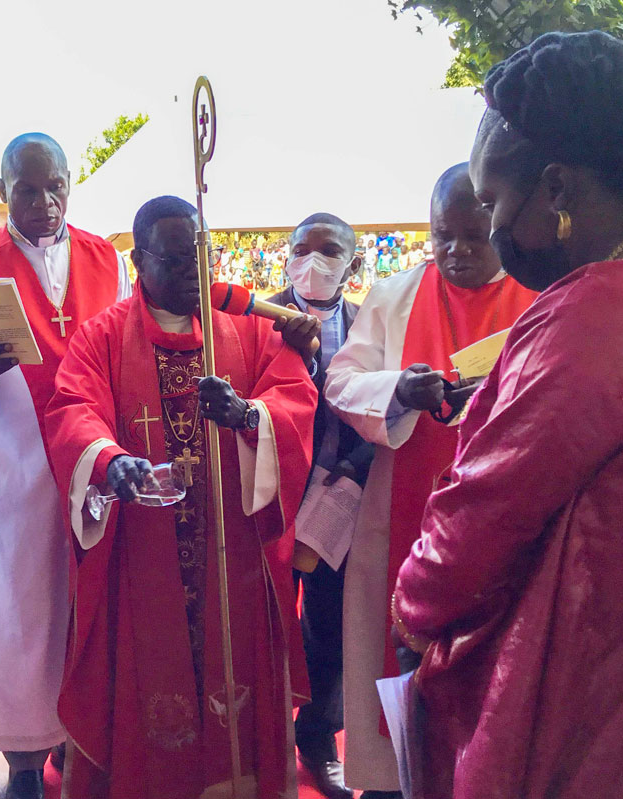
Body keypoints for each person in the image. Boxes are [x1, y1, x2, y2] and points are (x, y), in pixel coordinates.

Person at [393, 31, 623, 799]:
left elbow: (483, 513)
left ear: (557, 190)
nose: (490, 230)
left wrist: (413, 604)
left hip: (585, 680)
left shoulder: (593, 313)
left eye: (494, 203)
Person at [44, 196, 318, 799]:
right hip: (144, 557)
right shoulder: (103, 337)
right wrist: (112, 463)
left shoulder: (248, 328)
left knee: (236, 687)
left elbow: (293, 395)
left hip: (234, 556)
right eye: (174, 261)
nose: (194, 275)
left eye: (201, 257)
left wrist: (249, 416)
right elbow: (73, 410)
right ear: (139, 260)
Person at [323, 163, 537, 797]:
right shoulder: (395, 296)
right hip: (405, 509)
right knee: (396, 657)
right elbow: (341, 379)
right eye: (445, 235)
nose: (458, 251)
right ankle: (396, 781)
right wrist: (398, 389)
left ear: (501, 225)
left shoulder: (539, 292)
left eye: (475, 236)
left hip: (506, 512)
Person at [0, 132, 130, 799]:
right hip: (11, 466)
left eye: (56, 186)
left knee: (86, 611)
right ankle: (21, 766)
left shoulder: (107, 258)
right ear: (2, 189)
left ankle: (80, 754)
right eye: (28, 189)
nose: (45, 202)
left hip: (91, 464)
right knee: (19, 618)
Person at [269, 214, 372, 799]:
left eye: (328, 251)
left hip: (340, 496)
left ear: (351, 264)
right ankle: (259, 731)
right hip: (272, 490)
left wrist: (351, 473)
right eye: (301, 249)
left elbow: (378, 404)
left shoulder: (366, 326)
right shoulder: (258, 317)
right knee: (262, 615)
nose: (312, 261)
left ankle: (317, 737)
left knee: (330, 624)